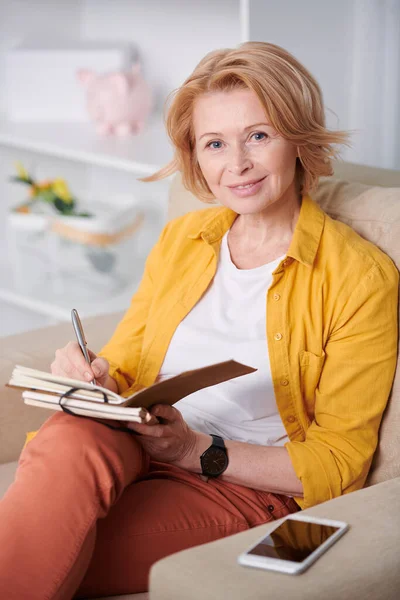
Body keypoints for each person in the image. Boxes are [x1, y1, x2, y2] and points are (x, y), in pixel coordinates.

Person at [0, 41, 398, 600]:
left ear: (298, 140)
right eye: (215, 143)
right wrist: (94, 378)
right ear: (197, 157)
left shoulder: (359, 278)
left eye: (258, 136)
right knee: (68, 442)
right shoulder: (184, 239)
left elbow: (339, 462)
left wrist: (193, 450)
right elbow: (130, 367)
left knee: (36, 549)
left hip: (233, 483)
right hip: (135, 443)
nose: (236, 165)